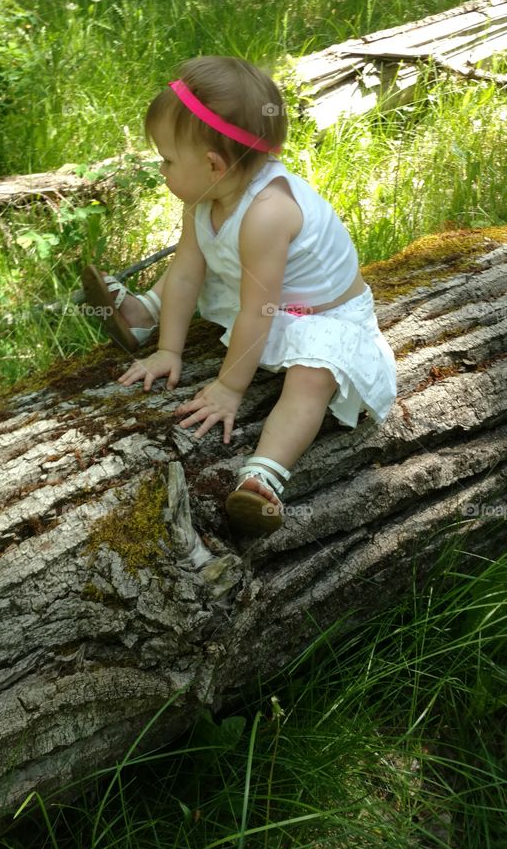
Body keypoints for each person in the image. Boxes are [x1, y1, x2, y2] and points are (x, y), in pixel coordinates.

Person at [81, 55, 398, 537]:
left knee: (312, 377)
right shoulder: (205, 199)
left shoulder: (268, 211)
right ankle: (145, 316)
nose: (162, 169)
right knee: (202, 257)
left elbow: (259, 311)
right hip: (265, 295)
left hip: (322, 316)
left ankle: (264, 474)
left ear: (213, 164)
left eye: (167, 160)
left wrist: (230, 387)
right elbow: (186, 272)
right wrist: (169, 350)